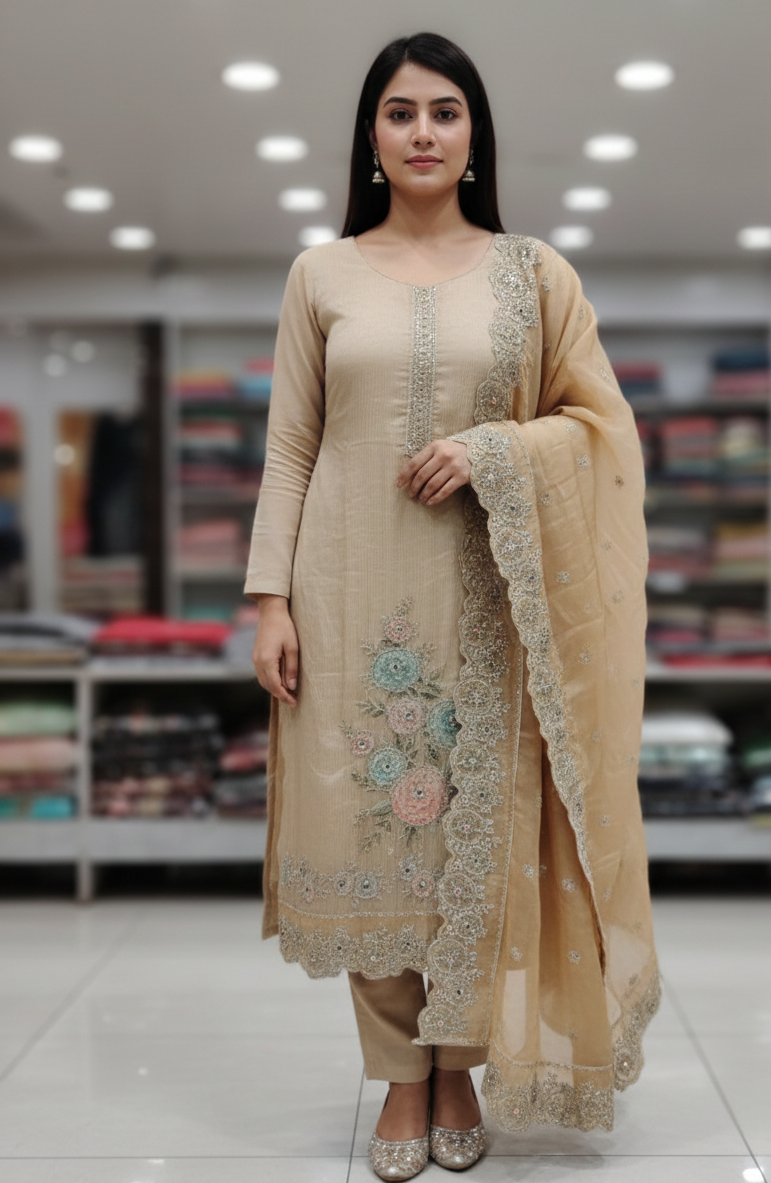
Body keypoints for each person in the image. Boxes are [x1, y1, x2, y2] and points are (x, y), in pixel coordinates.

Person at [247, 31, 660, 1181]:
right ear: (371, 137)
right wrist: (269, 599)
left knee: (476, 843)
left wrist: (495, 448)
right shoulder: (320, 275)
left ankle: (461, 1061)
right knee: (370, 831)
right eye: (400, 112)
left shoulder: (534, 274)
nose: (422, 131)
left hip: (492, 605)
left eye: (444, 111)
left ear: (474, 134)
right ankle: (398, 1071)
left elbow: (600, 429)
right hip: (347, 596)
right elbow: (289, 447)